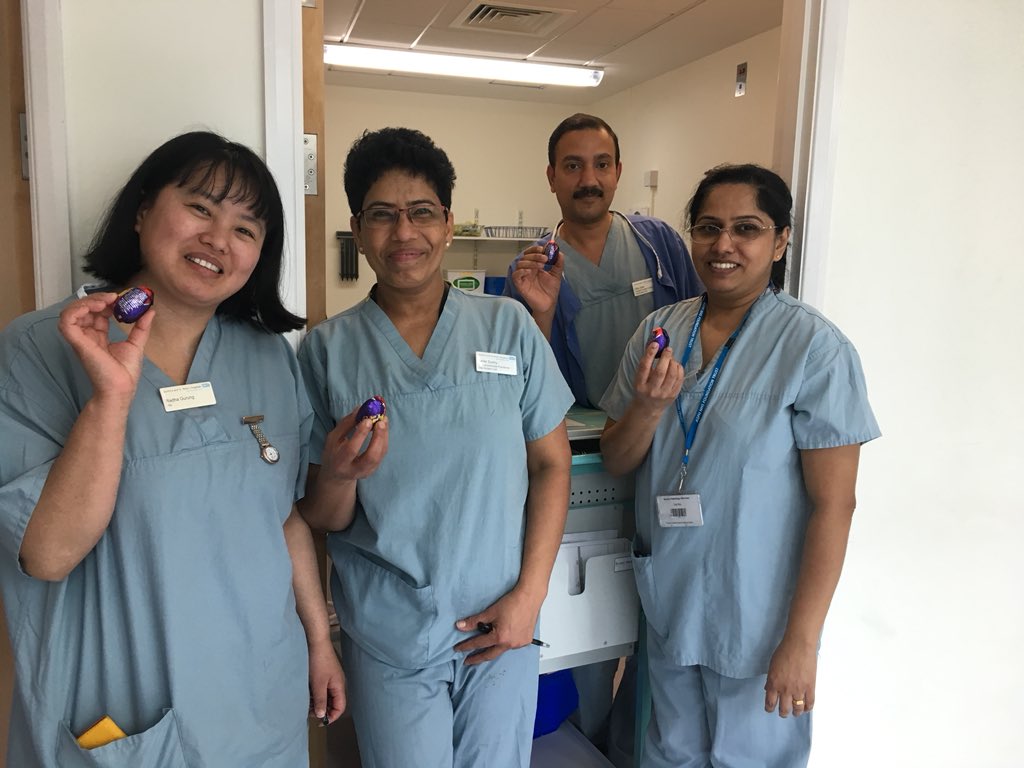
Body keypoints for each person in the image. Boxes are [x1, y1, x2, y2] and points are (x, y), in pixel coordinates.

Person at [0, 131, 344, 767]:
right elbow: (45, 554)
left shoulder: (268, 356)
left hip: (261, 692)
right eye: (201, 207)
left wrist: (319, 640)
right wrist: (110, 399)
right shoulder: (39, 350)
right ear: (141, 211)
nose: (219, 238)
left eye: (247, 228)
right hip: (128, 702)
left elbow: (285, 517)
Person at [297, 127, 574, 768]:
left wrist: (529, 597)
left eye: (421, 213)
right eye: (382, 216)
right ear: (357, 228)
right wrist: (338, 473)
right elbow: (324, 515)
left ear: (447, 223)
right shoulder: (326, 352)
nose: (404, 234)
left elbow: (551, 462)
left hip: (502, 622)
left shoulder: (508, 325)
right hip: (392, 633)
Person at [599, 163, 881, 767]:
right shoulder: (659, 331)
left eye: (745, 228)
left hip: (760, 618)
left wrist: (802, 642)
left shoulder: (814, 349)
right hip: (673, 600)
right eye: (708, 227)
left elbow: (836, 504)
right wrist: (647, 408)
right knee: (670, 754)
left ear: (779, 241)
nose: (723, 244)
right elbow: (618, 457)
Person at [504, 112, 703, 409]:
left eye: (602, 164)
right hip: (581, 430)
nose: (589, 180)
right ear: (552, 177)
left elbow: (702, 323)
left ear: (617, 172)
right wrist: (542, 316)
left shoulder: (659, 243)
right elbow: (518, 373)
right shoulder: (531, 269)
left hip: (666, 420)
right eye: (573, 166)